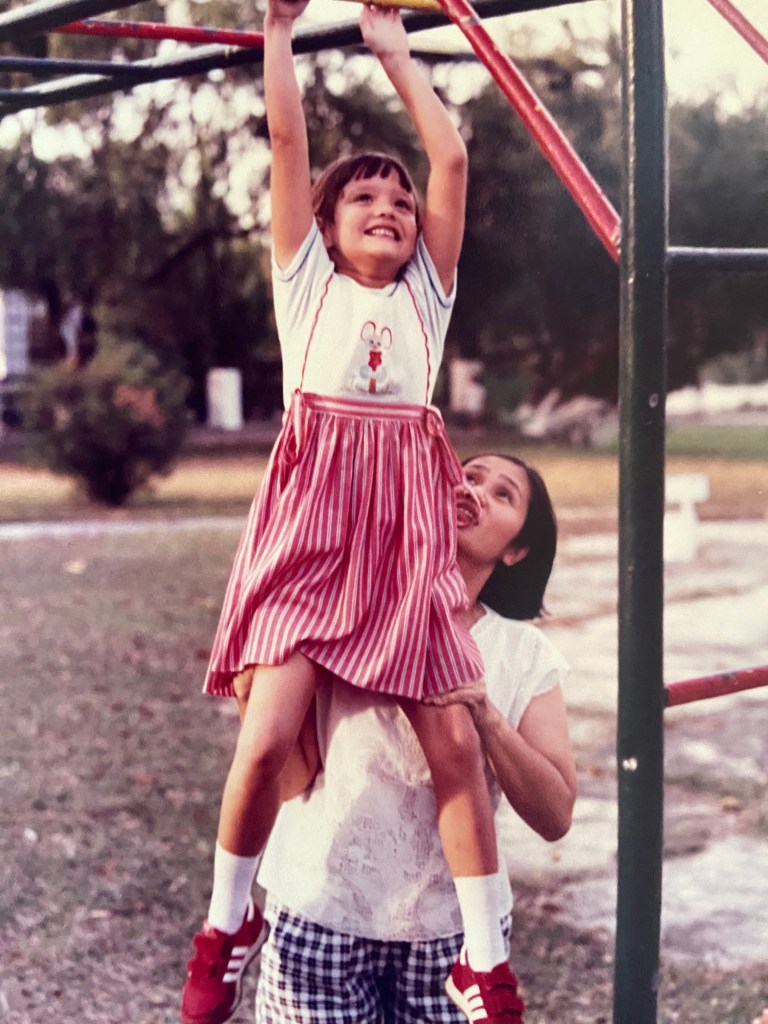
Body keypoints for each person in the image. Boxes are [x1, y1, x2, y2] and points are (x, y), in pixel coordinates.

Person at [181, 4, 521, 1023]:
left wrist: (393, 53)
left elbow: (450, 158)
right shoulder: (307, 287)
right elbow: (289, 142)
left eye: (400, 202)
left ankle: (485, 958)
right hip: (314, 533)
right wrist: (279, 34)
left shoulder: (426, 296)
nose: (389, 207)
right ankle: (225, 925)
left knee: (452, 740)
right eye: (364, 196)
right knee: (268, 733)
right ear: (325, 226)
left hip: (404, 537)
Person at [254, 452, 577, 1024]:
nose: (475, 492)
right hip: (322, 908)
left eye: (503, 494)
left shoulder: (524, 653)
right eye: (468, 476)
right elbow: (289, 777)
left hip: (455, 939)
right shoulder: (347, 610)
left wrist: (486, 717)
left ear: (516, 550)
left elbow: (555, 816)